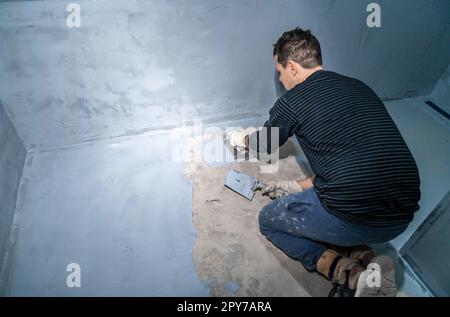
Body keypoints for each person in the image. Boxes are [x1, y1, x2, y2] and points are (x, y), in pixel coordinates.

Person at [227, 27, 421, 297]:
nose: (281, 81)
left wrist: (241, 137)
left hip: (354, 214)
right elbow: (351, 158)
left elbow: (264, 144)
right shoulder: (358, 86)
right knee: (348, 201)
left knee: (269, 220)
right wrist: (297, 186)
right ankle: (370, 262)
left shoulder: (293, 100)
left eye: (280, 72)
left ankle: (350, 277)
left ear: (292, 68)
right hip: (402, 216)